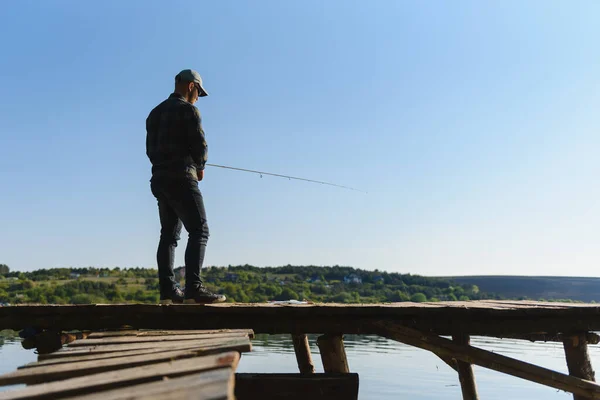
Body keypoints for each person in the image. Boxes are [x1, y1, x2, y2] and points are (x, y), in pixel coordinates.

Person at [146, 69, 226, 304]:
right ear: (191, 86)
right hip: (182, 178)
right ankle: (194, 288)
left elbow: (150, 151)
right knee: (200, 230)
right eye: (199, 91)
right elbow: (200, 144)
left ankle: (168, 291)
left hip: (159, 179)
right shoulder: (189, 110)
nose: (198, 97)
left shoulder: (154, 114)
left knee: (168, 236)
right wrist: (200, 166)